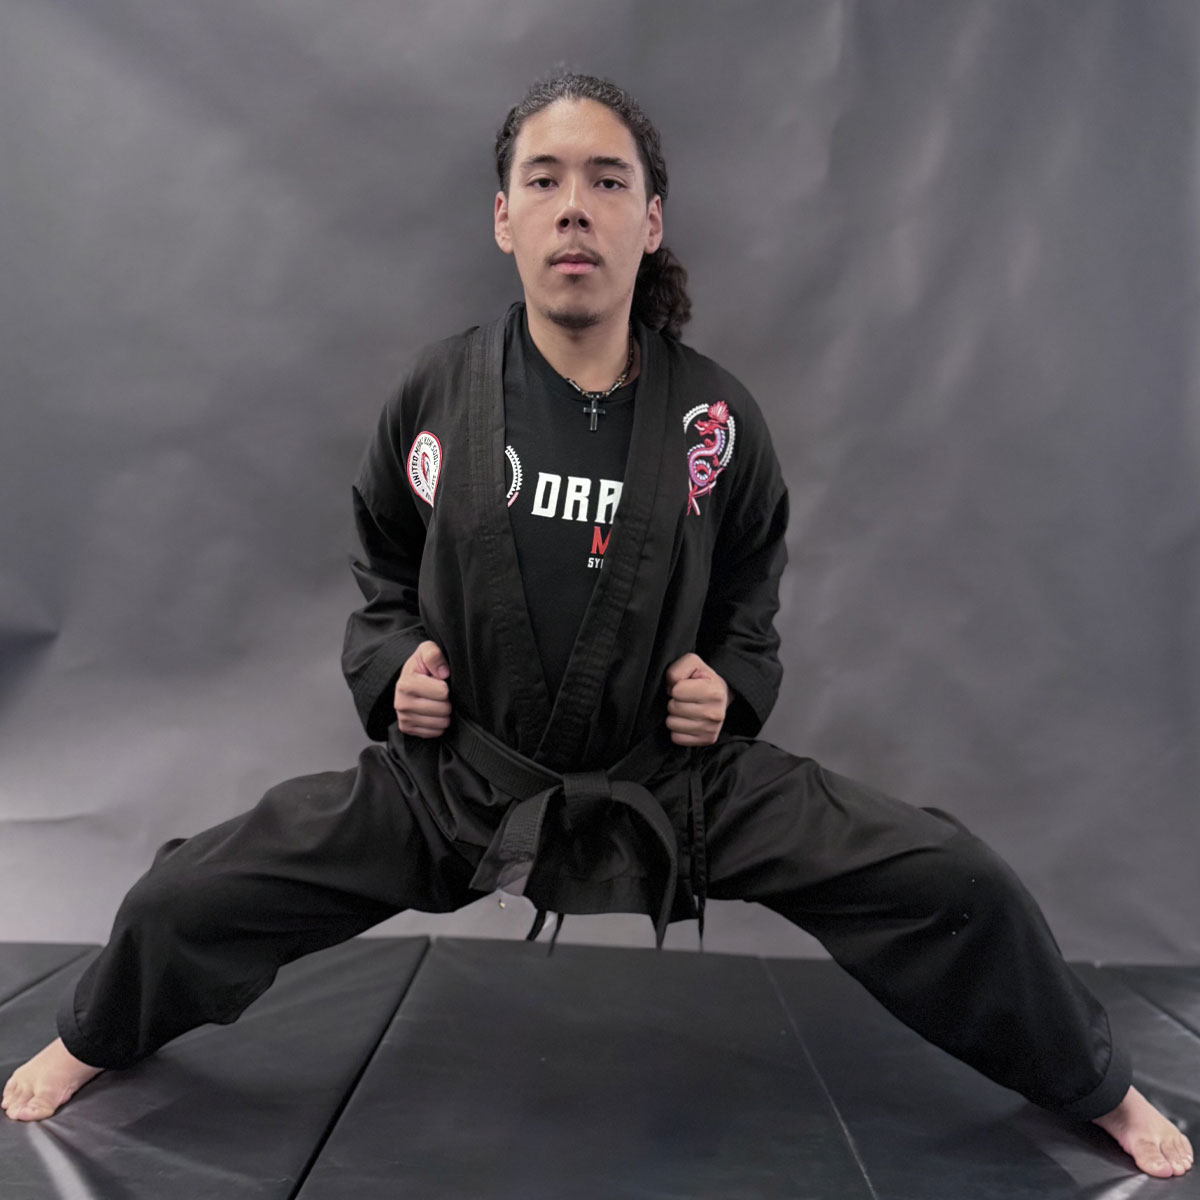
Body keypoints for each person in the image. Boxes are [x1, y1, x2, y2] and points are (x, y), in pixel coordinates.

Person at [2, 71, 1192, 1180]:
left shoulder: (717, 419)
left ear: (651, 221)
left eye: (608, 181)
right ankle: (97, 1033)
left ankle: (1091, 1083)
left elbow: (750, 596)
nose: (576, 207)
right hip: (461, 780)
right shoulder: (436, 397)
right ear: (504, 220)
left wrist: (728, 683)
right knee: (184, 900)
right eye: (545, 180)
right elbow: (380, 566)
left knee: (954, 880)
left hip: (672, 784)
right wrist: (391, 666)